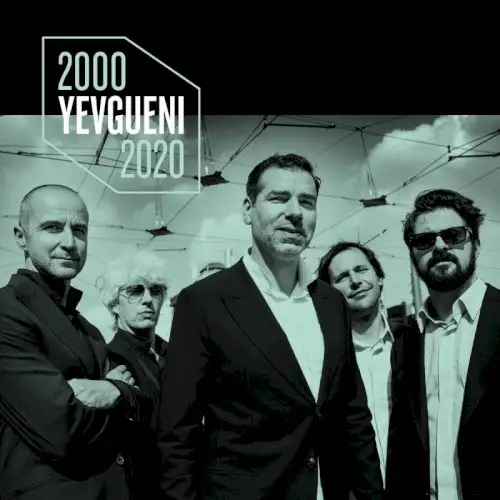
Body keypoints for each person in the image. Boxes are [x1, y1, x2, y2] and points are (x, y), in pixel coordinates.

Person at [157, 154, 384, 500]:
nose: (295, 212)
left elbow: (354, 415)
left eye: (307, 202)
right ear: (248, 209)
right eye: (279, 198)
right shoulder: (203, 302)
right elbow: (177, 433)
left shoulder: (331, 302)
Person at [0, 184, 151, 500]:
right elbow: (62, 429)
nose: (69, 242)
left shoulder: (88, 328)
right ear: (20, 236)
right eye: (52, 227)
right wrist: (121, 394)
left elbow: (143, 410)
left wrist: (111, 391)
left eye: (79, 230)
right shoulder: (6, 311)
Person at [385, 188, 497, 500]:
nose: (439, 246)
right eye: (424, 240)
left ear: (475, 243)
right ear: (412, 255)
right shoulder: (405, 342)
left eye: (453, 235)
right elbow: (401, 447)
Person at [317, 241, 406, 491]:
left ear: (380, 278)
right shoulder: (322, 361)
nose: (355, 281)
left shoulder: (413, 345)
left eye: (361, 269)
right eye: (342, 277)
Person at [99, 249, 169, 499]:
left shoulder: (175, 354)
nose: (148, 299)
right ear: (114, 304)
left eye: (155, 290)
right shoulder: (110, 360)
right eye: (135, 291)